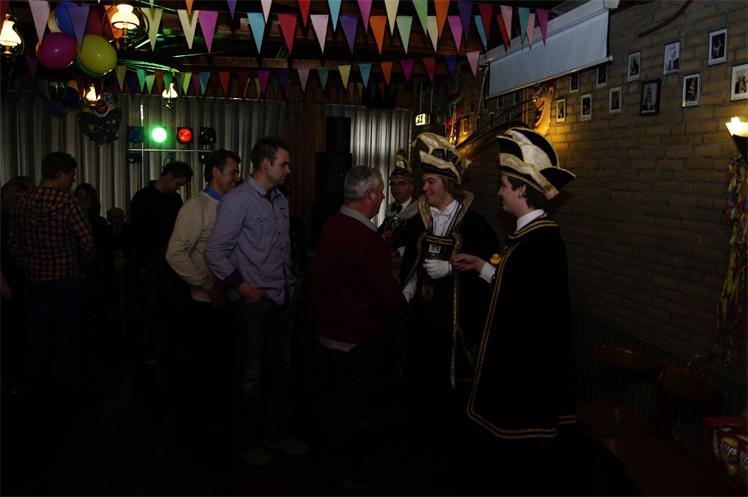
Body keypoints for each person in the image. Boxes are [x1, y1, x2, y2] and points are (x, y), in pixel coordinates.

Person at [451, 127, 577, 494]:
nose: (499, 191)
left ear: (523, 189)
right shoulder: (530, 236)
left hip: (525, 372)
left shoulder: (542, 241)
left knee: (517, 467)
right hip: (518, 365)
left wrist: (487, 271)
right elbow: (518, 290)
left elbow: (528, 309)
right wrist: (482, 266)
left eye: (505, 184)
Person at [204, 137, 308, 466]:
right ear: (265, 164)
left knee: (282, 371)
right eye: (284, 164)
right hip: (253, 302)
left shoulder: (280, 200)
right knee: (250, 376)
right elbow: (214, 252)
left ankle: (277, 434)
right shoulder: (237, 201)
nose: (288, 170)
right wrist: (242, 287)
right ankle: (245, 442)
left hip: (282, 297)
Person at [399, 132, 499, 467]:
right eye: (424, 182)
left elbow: (490, 275)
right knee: (419, 382)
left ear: (448, 184)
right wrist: (407, 291)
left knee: (450, 390)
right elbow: (412, 265)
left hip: (454, 326)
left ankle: (450, 454)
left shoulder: (476, 225)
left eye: (430, 182)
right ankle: (417, 445)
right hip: (422, 322)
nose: (424, 188)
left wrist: (452, 271)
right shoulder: (420, 220)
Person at [317, 166, 409, 488]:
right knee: (350, 409)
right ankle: (341, 470)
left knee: (334, 403)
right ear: (369, 196)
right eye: (381, 190)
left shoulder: (331, 224)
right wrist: (405, 304)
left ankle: (330, 462)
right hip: (356, 337)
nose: (383, 196)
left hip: (330, 333)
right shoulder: (365, 238)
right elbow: (387, 297)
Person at [8, 152, 94, 418]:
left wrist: (29, 265)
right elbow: (87, 243)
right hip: (66, 280)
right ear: (60, 173)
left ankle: (37, 395)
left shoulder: (21, 201)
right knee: (67, 339)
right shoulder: (67, 203)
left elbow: (13, 243)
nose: (73, 180)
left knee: (37, 341)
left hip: (35, 281)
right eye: (71, 174)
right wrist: (83, 269)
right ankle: (71, 394)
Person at [165, 149, 241, 438]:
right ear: (216, 173)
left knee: (225, 368)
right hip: (204, 305)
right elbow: (174, 254)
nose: (237, 177)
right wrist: (207, 284)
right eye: (232, 172)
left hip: (229, 300)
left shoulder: (231, 206)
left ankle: (222, 423)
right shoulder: (196, 207)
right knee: (206, 369)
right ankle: (203, 428)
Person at [129, 161, 193, 377]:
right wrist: (143, 264)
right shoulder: (142, 198)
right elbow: (138, 234)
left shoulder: (174, 199)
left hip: (169, 262)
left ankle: (168, 350)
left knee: (169, 307)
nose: (179, 188)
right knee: (150, 308)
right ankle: (150, 350)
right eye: (178, 183)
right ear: (168, 176)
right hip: (150, 262)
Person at [377, 150, 418, 257]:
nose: (396, 188)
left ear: (411, 187)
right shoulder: (390, 211)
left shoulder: (418, 213)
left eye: (402, 184)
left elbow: (417, 243)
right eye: (393, 184)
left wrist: (398, 252)